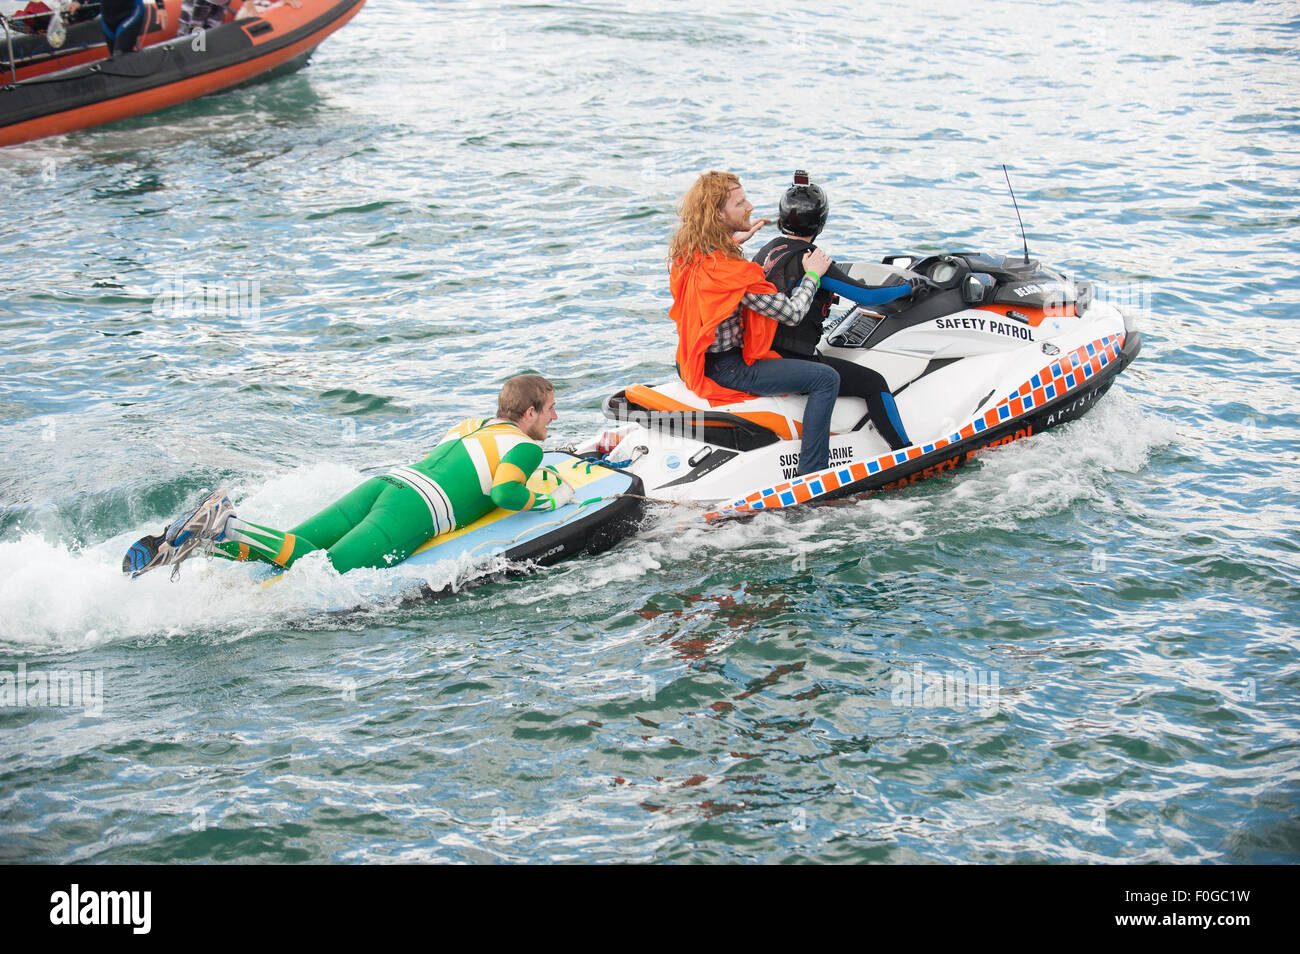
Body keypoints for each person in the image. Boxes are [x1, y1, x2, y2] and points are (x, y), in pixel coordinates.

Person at [124, 375, 573, 579]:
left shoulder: (469, 425)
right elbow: (506, 491)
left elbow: (468, 470)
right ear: (529, 412)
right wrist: (551, 499)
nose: (554, 417)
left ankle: (179, 543)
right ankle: (225, 525)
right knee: (318, 570)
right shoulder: (525, 445)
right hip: (413, 510)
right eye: (550, 408)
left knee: (287, 547)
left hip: (385, 484)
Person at [669, 170, 839, 475]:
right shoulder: (731, 272)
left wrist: (734, 240)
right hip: (729, 368)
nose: (750, 206)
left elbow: (713, 260)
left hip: (691, 360)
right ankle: (813, 473)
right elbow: (792, 313)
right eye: (740, 203)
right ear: (718, 214)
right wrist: (812, 274)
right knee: (826, 379)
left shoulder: (689, 251)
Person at [752, 170, 915, 450]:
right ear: (821, 224)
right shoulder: (811, 260)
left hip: (763, 353)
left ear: (781, 221)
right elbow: (865, 295)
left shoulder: (767, 251)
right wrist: (909, 288)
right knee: (874, 382)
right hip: (793, 360)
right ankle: (905, 450)